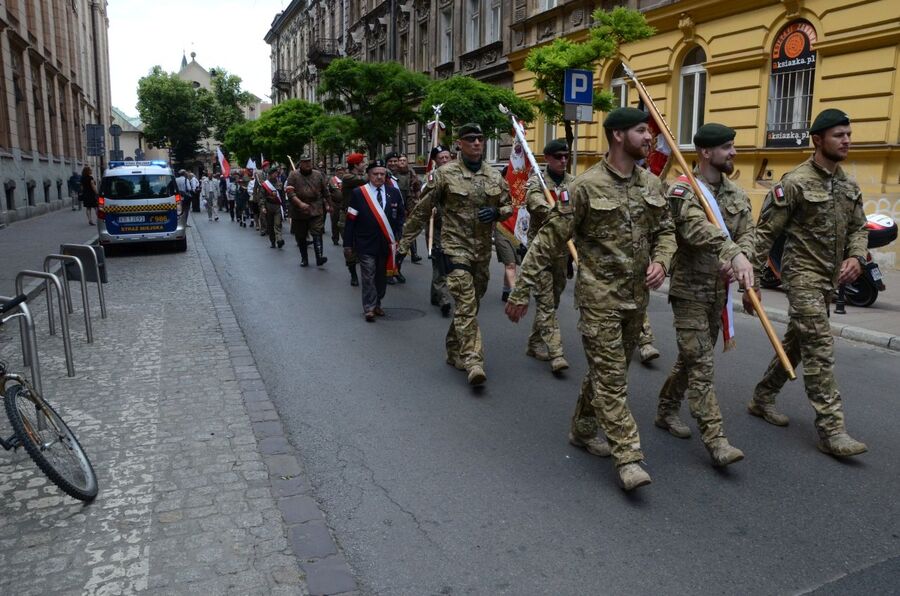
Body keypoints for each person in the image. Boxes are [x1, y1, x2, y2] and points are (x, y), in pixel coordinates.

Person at [505, 108, 676, 491]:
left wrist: (663, 262)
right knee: (614, 382)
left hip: (636, 301)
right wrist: (521, 290)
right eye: (640, 131)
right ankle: (629, 457)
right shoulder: (584, 187)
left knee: (606, 374)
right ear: (617, 136)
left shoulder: (652, 185)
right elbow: (548, 241)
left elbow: (667, 232)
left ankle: (582, 429)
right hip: (599, 301)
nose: (649, 137)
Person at [747, 109, 868, 457]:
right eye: (838, 135)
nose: (846, 140)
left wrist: (856, 258)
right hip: (801, 276)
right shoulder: (794, 183)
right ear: (818, 140)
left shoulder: (848, 184)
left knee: (798, 343)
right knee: (819, 347)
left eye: (848, 134)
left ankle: (762, 396)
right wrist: (751, 281)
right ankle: (832, 431)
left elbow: (859, 228)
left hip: (830, 280)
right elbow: (764, 234)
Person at [655, 123, 755, 467]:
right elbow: (697, 229)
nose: (734, 153)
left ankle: (666, 409)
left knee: (689, 359)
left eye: (733, 146)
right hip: (690, 293)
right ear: (706, 153)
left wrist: (742, 260)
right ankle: (716, 439)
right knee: (701, 364)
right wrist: (732, 252)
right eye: (727, 147)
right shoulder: (683, 192)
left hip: (719, 296)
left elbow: (749, 236)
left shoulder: (737, 195)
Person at [399, 124, 512, 386]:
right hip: (454, 249)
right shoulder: (444, 174)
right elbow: (422, 210)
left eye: (480, 139)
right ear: (459, 144)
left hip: (482, 252)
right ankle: (473, 361)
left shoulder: (494, 176)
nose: (476, 143)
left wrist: (497, 213)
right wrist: (403, 244)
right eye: (470, 139)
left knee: (471, 305)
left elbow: (509, 205)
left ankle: (453, 347)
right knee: (465, 303)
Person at [523, 139, 573, 375]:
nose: (563, 160)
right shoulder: (537, 183)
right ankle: (556, 353)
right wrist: (562, 212)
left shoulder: (574, 183)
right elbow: (537, 206)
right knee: (545, 301)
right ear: (548, 159)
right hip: (540, 251)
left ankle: (534, 342)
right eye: (558, 156)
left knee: (551, 301)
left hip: (562, 253)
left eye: (566, 156)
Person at [343, 159, 405, 321]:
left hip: (386, 243)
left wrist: (399, 235)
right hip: (365, 243)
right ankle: (369, 308)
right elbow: (351, 220)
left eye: (382, 174)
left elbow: (400, 216)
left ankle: (377, 303)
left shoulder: (394, 193)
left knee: (381, 277)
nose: (379, 177)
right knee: (368, 275)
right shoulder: (359, 193)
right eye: (375, 174)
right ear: (369, 175)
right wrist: (348, 244)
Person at [286, 155, 331, 267]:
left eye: (309, 162)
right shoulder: (293, 175)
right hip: (299, 210)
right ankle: (304, 258)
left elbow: (325, 191)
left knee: (317, 232)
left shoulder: (318, 174)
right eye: (304, 162)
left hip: (315, 207)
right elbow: (290, 193)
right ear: (300, 163)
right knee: (301, 236)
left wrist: (330, 204)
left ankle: (319, 257)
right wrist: (300, 204)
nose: (307, 164)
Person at [426, 145, 453, 317]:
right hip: (437, 228)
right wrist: (432, 210)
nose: (444, 160)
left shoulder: (458, 176)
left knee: (451, 265)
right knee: (439, 264)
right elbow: (424, 202)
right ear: (435, 161)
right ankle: (444, 299)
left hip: (455, 229)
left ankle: (435, 295)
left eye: (447, 157)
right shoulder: (431, 178)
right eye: (441, 158)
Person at [340, 153, 367, 286]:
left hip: (363, 216)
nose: (364, 164)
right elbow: (364, 180)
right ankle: (353, 274)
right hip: (349, 216)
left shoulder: (360, 176)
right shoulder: (347, 177)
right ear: (356, 165)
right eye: (362, 162)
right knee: (349, 246)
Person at [395, 155, 422, 263]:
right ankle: (398, 251)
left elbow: (417, 188)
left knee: (411, 228)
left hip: (410, 203)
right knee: (398, 229)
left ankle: (414, 253)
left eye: (404, 160)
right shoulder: (394, 174)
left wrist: (419, 200)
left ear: (407, 162)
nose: (402, 162)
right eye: (400, 160)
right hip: (397, 203)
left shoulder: (412, 173)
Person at [261, 167, 286, 248]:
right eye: (274, 173)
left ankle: (279, 240)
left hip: (277, 206)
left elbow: (282, 196)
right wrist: (263, 207)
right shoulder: (265, 185)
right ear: (270, 175)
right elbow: (262, 197)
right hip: (268, 206)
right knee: (270, 225)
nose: (276, 175)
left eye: (276, 173)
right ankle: (272, 241)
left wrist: (284, 207)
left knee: (278, 224)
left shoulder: (280, 184)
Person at [327, 166, 346, 245]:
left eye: (342, 170)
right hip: (335, 204)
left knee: (344, 223)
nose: (340, 172)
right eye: (338, 171)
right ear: (336, 172)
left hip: (344, 204)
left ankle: (345, 239)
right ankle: (335, 238)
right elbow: (327, 193)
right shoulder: (332, 180)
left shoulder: (346, 180)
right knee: (335, 221)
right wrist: (328, 204)